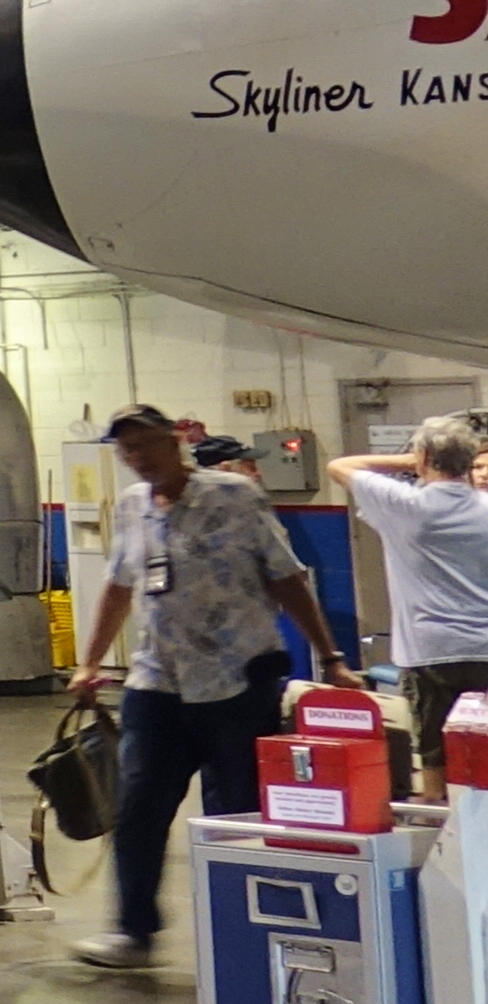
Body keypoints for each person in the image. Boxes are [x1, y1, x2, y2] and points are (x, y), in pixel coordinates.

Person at [71, 404, 339, 969]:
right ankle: (133, 933)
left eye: (145, 445)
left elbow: (285, 576)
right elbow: (120, 587)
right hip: (158, 681)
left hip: (237, 680)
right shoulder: (131, 507)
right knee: (139, 806)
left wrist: (330, 656)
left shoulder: (234, 496)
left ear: (175, 442)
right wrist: (88, 662)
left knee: (237, 813)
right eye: (127, 450)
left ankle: (245, 934)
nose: (136, 458)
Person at [332, 412, 488, 763]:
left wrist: (408, 461)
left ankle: (437, 812)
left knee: (436, 756)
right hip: (485, 649)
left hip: (429, 650)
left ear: (425, 458)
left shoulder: (405, 505)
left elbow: (340, 466)